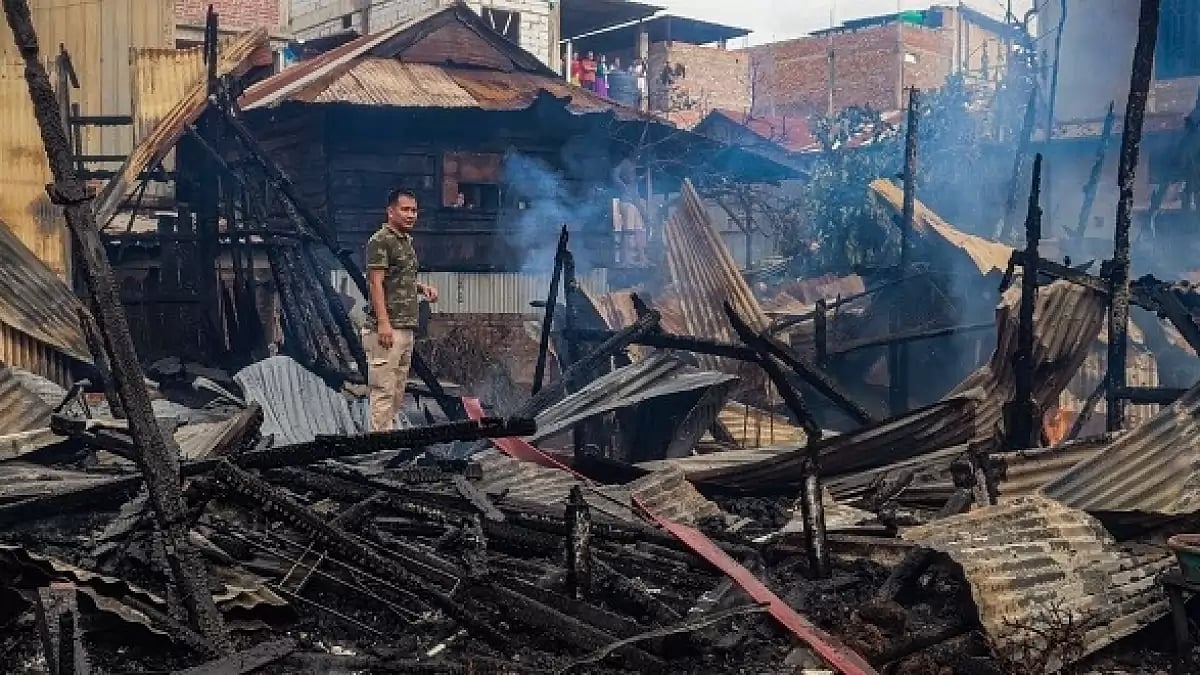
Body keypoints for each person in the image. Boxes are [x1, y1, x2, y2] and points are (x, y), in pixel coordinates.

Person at [364, 189, 438, 432]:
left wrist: (421, 287)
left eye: (414, 210)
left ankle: (390, 441)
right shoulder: (380, 240)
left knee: (397, 391)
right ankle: (379, 448)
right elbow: (375, 282)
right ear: (391, 211)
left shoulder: (405, 241)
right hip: (388, 328)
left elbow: (397, 278)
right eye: (405, 209)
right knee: (383, 390)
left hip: (406, 326)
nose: (411, 215)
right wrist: (383, 323)